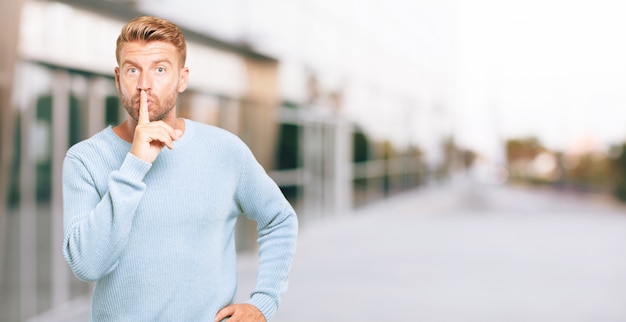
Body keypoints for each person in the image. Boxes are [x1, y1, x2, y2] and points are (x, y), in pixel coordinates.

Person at [62, 16, 298, 322]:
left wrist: (263, 302)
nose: (144, 85)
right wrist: (135, 165)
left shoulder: (224, 150)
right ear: (119, 78)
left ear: (182, 79)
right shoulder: (84, 159)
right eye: (133, 70)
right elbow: (86, 265)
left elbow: (279, 219)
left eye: (160, 69)